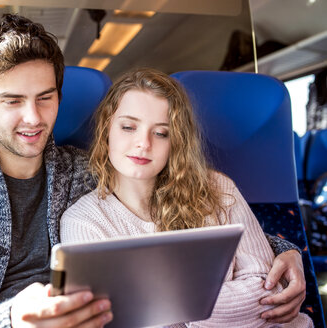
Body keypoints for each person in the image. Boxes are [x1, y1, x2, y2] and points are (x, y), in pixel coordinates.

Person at [0, 14, 305, 328]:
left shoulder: (88, 170)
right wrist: (12, 320)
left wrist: (285, 249)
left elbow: (179, 199)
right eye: (12, 101)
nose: (33, 117)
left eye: (45, 98)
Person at [60, 68, 313, 327]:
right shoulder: (83, 222)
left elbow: (268, 291)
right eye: (128, 127)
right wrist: (218, 306)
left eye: (161, 133)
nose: (143, 143)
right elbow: (111, 319)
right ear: (106, 130)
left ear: (176, 142)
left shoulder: (218, 189)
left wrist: (162, 309)